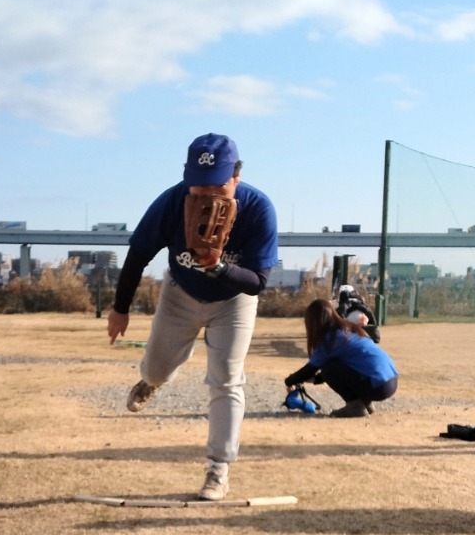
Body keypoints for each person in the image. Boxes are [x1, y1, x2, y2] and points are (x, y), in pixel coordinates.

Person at [107, 133, 278, 500]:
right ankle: (152, 381)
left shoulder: (259, 207)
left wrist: (217, 267)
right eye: (197, 192)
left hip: (233, 300)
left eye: (216, 188)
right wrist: (120, 309)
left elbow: (257, 283)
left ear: (236, 175)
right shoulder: (171, 202)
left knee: (227, 380)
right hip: (180, 293)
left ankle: (219, 468)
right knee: (154, 368)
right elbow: (138, 255)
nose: (206, 200)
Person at [284, 299, 398, 417]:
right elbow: (344, 368)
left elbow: (310, 369)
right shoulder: (348, 329)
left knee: (328, 369)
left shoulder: (330, 340)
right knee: (335, 365)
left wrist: (289, 381)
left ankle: (356, 407)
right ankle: (365, 402)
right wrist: (316, 379)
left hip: (379, 387)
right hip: (391, 379)